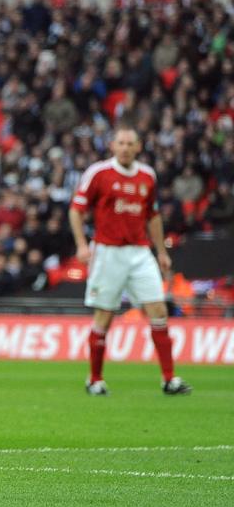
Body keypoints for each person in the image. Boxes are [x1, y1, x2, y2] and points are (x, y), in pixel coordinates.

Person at [69, 124, 192, 396]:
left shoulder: (147, 176)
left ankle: (169, 379)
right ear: (113, 146)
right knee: (105, 315)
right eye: (120, 143)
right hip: (107, 251)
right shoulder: (98, 173)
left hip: (139, 252)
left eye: (130, 143)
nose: (125, 148)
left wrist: (161, 251)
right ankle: (95, 379)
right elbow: (76, 211)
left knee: (158, 311)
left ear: (139, 147)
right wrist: (81, 244)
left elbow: (154, 216)